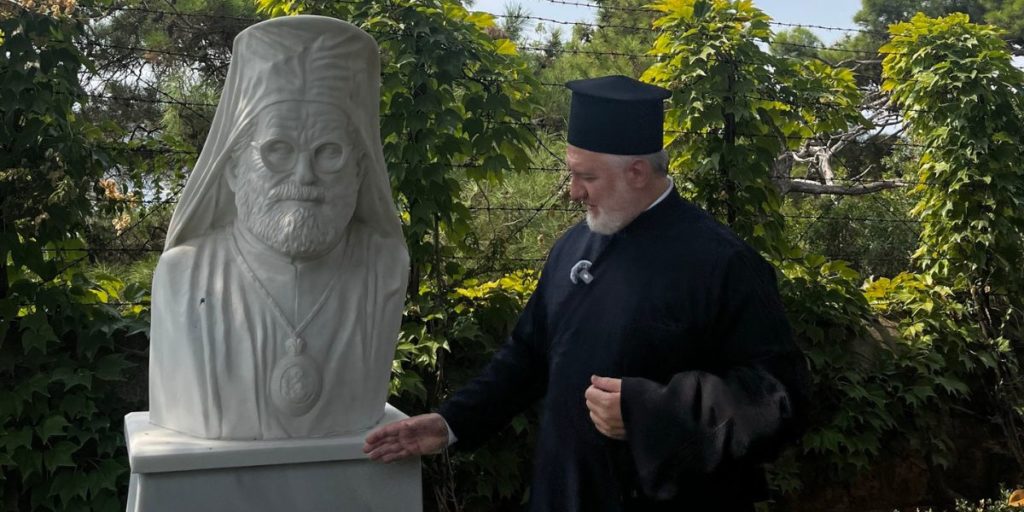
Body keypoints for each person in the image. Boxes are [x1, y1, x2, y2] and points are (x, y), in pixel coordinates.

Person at [363, 75, 809, 511]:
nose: (573, 192)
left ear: (636, 171)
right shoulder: (573, 248)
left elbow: (779, 398)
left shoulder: (724, 262)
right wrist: (451, 423)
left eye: (585, 177)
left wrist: (650, 413)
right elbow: (527, 356)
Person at [148, 16, 409, 440]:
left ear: (361, 170)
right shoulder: (184, 276)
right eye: (277, 150)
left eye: (329, 152)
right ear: (233, 168)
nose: (304, 175)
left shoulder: (384, 267)